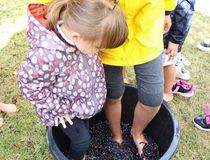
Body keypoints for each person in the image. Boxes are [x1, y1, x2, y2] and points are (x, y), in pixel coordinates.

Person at [18, 0, 128, 159]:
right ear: (77, 37)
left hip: (81, 103)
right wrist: (59, 108)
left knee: (86, 129)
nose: (99, 51)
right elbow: (29, 87)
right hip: (65, 107)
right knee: (82, 142)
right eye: (98, 47)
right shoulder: (47, 55)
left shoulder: (83, 37)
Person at [99, 0, 176, 158]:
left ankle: (136, 131)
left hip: (148, 32)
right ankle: (117, 135)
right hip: (107, 34)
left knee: (153, 98)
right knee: (113, 94)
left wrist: (167, 11)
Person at [163, 0, 196, 102]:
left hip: (171, 34)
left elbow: (185, 10)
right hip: (159, 28)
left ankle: (167, 92)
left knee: (168, 61)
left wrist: (175, 40)